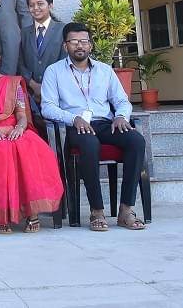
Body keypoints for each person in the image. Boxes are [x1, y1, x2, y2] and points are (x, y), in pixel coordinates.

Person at [41, 23, 148, 233]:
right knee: (89, 145)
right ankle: (96, 210)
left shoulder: (104, 70)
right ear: (65, 46)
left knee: (136, 140)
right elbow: (48, 107)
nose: (79, 45)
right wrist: (74, 119)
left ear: (91, 45)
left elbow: (122, 101)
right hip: (76, 127)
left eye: (84, 41)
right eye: (74, 42)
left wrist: (120, 116)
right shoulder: (54, 72)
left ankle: (126, 209)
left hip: (105, 122)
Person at [0, 40, 62, 233]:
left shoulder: (13, 82)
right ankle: (2, 216)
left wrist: (20, 127)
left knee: (33, 148)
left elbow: (22, 113)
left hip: (14, 129)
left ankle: (32, 213)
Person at [19, 0, 65, 114]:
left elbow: (64, 61)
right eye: (31, 5)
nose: (35, 8)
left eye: (40, 4)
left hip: (57, 92)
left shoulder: (63, 30)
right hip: (31, 93)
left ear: (50, 5)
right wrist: (33, 84)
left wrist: (45, 87)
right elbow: (20, 62)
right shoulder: (23, 32)